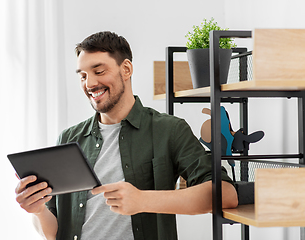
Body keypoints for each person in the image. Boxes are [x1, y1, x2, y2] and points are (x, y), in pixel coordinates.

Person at [15, 31, 238, 240]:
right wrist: (38, 210)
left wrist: (142, 200)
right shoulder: (68, 139)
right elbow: (54, 232)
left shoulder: (169, 130)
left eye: (99, 71)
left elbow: (226, 195)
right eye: (83, 76)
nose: (90, 84)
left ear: (126, 69)